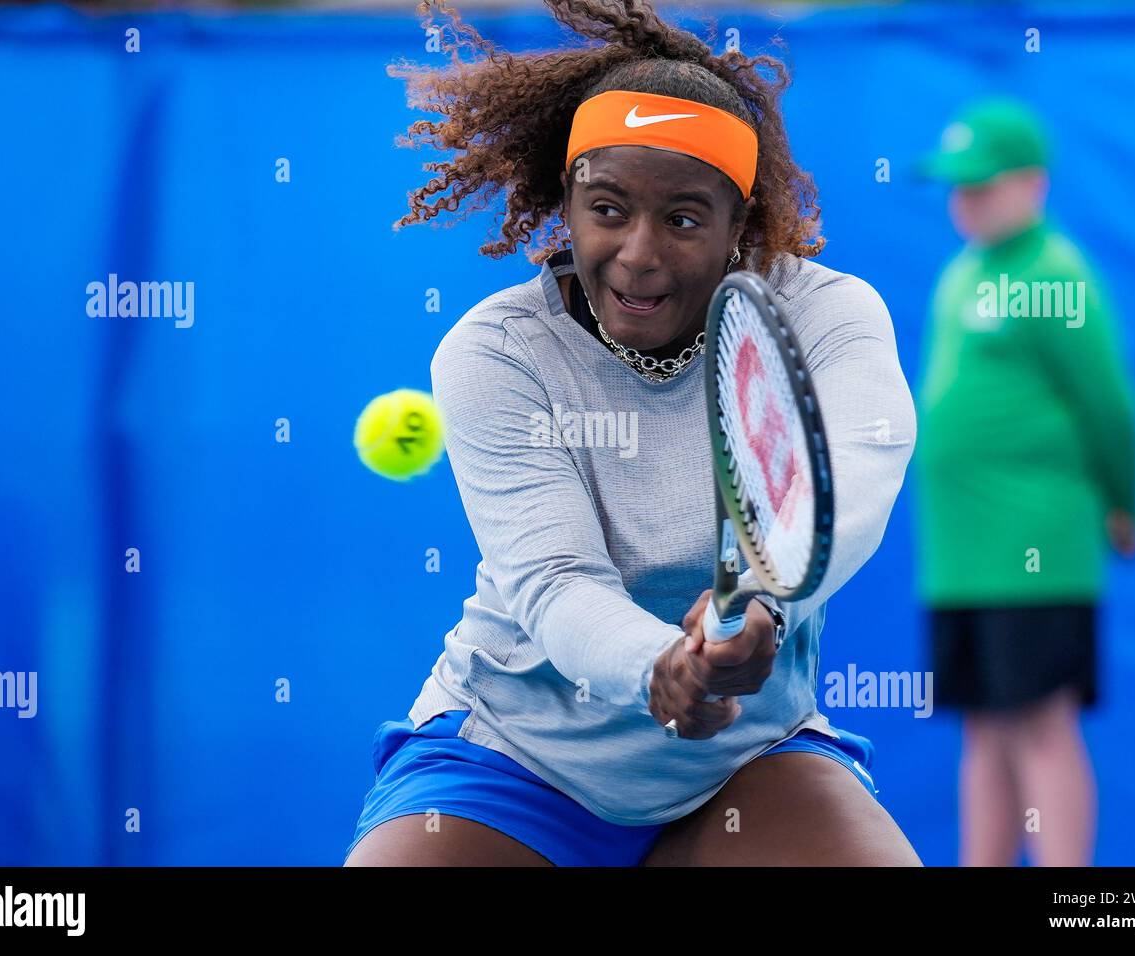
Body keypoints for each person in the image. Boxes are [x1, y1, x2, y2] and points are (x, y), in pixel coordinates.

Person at [345, 0, 919, 867]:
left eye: (684, 219)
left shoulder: (828, 315)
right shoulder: (496, 351)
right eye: (608, 209)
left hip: (743, 764)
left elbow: (855, 475)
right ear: (566, 209)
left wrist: (768, 599)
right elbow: (553, 578)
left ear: (741, 228)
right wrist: (663, 666)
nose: (639, 252)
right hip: (516, 759)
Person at [915, 98, 1135, 866]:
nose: (964, 200)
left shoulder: (1057, 273)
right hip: (960, 556)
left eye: (982, 184)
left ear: (1033, 184)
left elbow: (1110, 406)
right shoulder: (961, 275)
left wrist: (1123, 502)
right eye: (956, 185)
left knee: (1042, 725)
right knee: (983, 727)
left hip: (1034, 547)